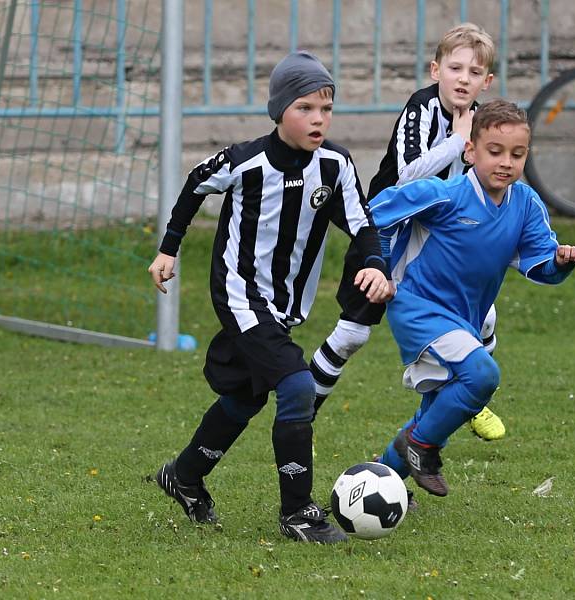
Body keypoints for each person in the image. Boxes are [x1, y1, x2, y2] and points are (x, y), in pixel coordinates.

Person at [148, 51, 392, 543]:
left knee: (245, 396)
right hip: (239, 294)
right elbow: (196, 183)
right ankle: (298, 514)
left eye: (326, 108)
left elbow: (362, 222)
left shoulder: (336, 164)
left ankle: (185, 476)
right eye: (305, 108)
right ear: (280, 110)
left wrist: (374, 263)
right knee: (298, 386)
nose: (318, 118)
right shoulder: (245, 161)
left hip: (283, 306)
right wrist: (168, 249)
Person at [370, 100, 575, 496]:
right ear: (470, 151)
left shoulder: (525, 203)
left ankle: (377, 482)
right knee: (482, 375)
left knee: (438, 409)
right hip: (418, 307)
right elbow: (374, 213)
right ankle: (421, 446)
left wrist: (560, 261)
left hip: (466, 319)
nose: (506, 162)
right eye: (495, 151)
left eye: (517, 154)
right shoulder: (445, 194)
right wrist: (378, 267)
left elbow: (541, 267)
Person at [309, 22, 508, 442]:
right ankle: (299, 411)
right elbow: (404, 179)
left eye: (474, 73)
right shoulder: (420, 108)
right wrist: (456, 141)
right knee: (352, 334)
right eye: (455, 68)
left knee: (483, 315)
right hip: (386, 231)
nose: (463, 79)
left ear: (487, 81)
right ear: (436, 70)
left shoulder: (485, 122)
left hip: (438, 242)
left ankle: (470, 398)